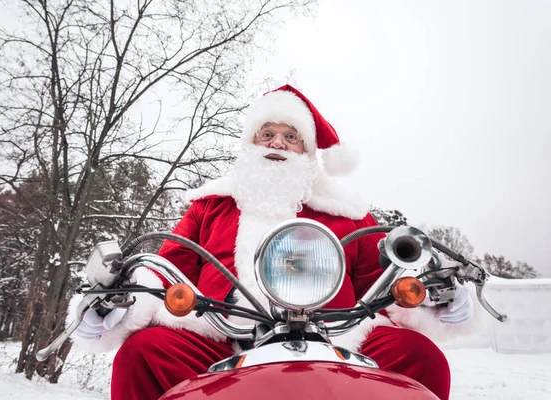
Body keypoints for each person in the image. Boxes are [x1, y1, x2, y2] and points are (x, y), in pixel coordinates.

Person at [69, 85, 475, 400]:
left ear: (308, 151)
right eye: (267, 133)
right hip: (219, 336)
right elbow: (168, 265)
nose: (277, 143)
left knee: (419, 356)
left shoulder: (346, 212)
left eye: (291, 135)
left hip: (339, 337)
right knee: (143, 352)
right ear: (251, 143)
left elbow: (379, 278)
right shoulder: (210, 205)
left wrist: (430, 297)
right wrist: (121, 298)